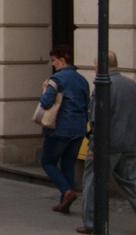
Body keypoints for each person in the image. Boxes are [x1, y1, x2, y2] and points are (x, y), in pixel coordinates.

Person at [78, 51, 136, 234]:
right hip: (129, 142)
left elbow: (98, 120)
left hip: (107, 145)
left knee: (92, 182)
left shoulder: (103, 86)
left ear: (101, 65)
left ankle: (91, 223)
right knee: (131, 183)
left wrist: (94, 146)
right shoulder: (131, 85)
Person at [39, 45, 89, 214]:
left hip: (59, 128)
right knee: (68, 164)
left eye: (54, 60)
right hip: (78, 129)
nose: (53, 64)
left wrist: (45, 89)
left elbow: (46, 102)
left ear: (62, 60)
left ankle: (67, 192)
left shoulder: (56, 79)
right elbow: (87, 104)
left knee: (47, 161)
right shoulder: (82, 80)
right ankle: (64, 202)